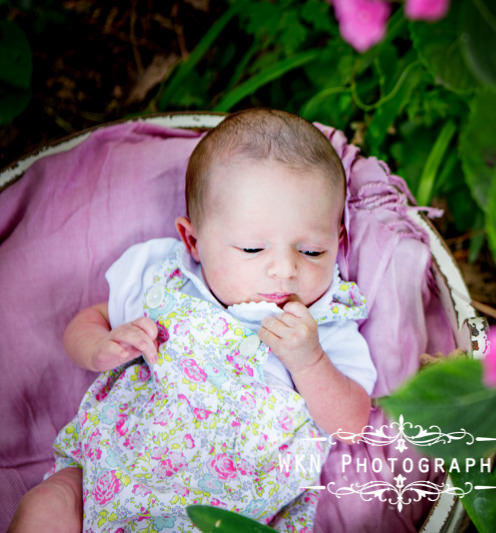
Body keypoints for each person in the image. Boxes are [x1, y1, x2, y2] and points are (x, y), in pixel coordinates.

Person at [9, 108, 376, 532]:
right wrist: (99, 346)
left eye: (312, 251)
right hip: (105, 475)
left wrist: (309, 362)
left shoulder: (325, 321)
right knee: (45, 507)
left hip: (229, 515)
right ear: (194, 241)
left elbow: (351, 425)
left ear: (338, 242)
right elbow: (88, 321)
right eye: (252, 250)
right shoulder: (168, 278)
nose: (284, 270)